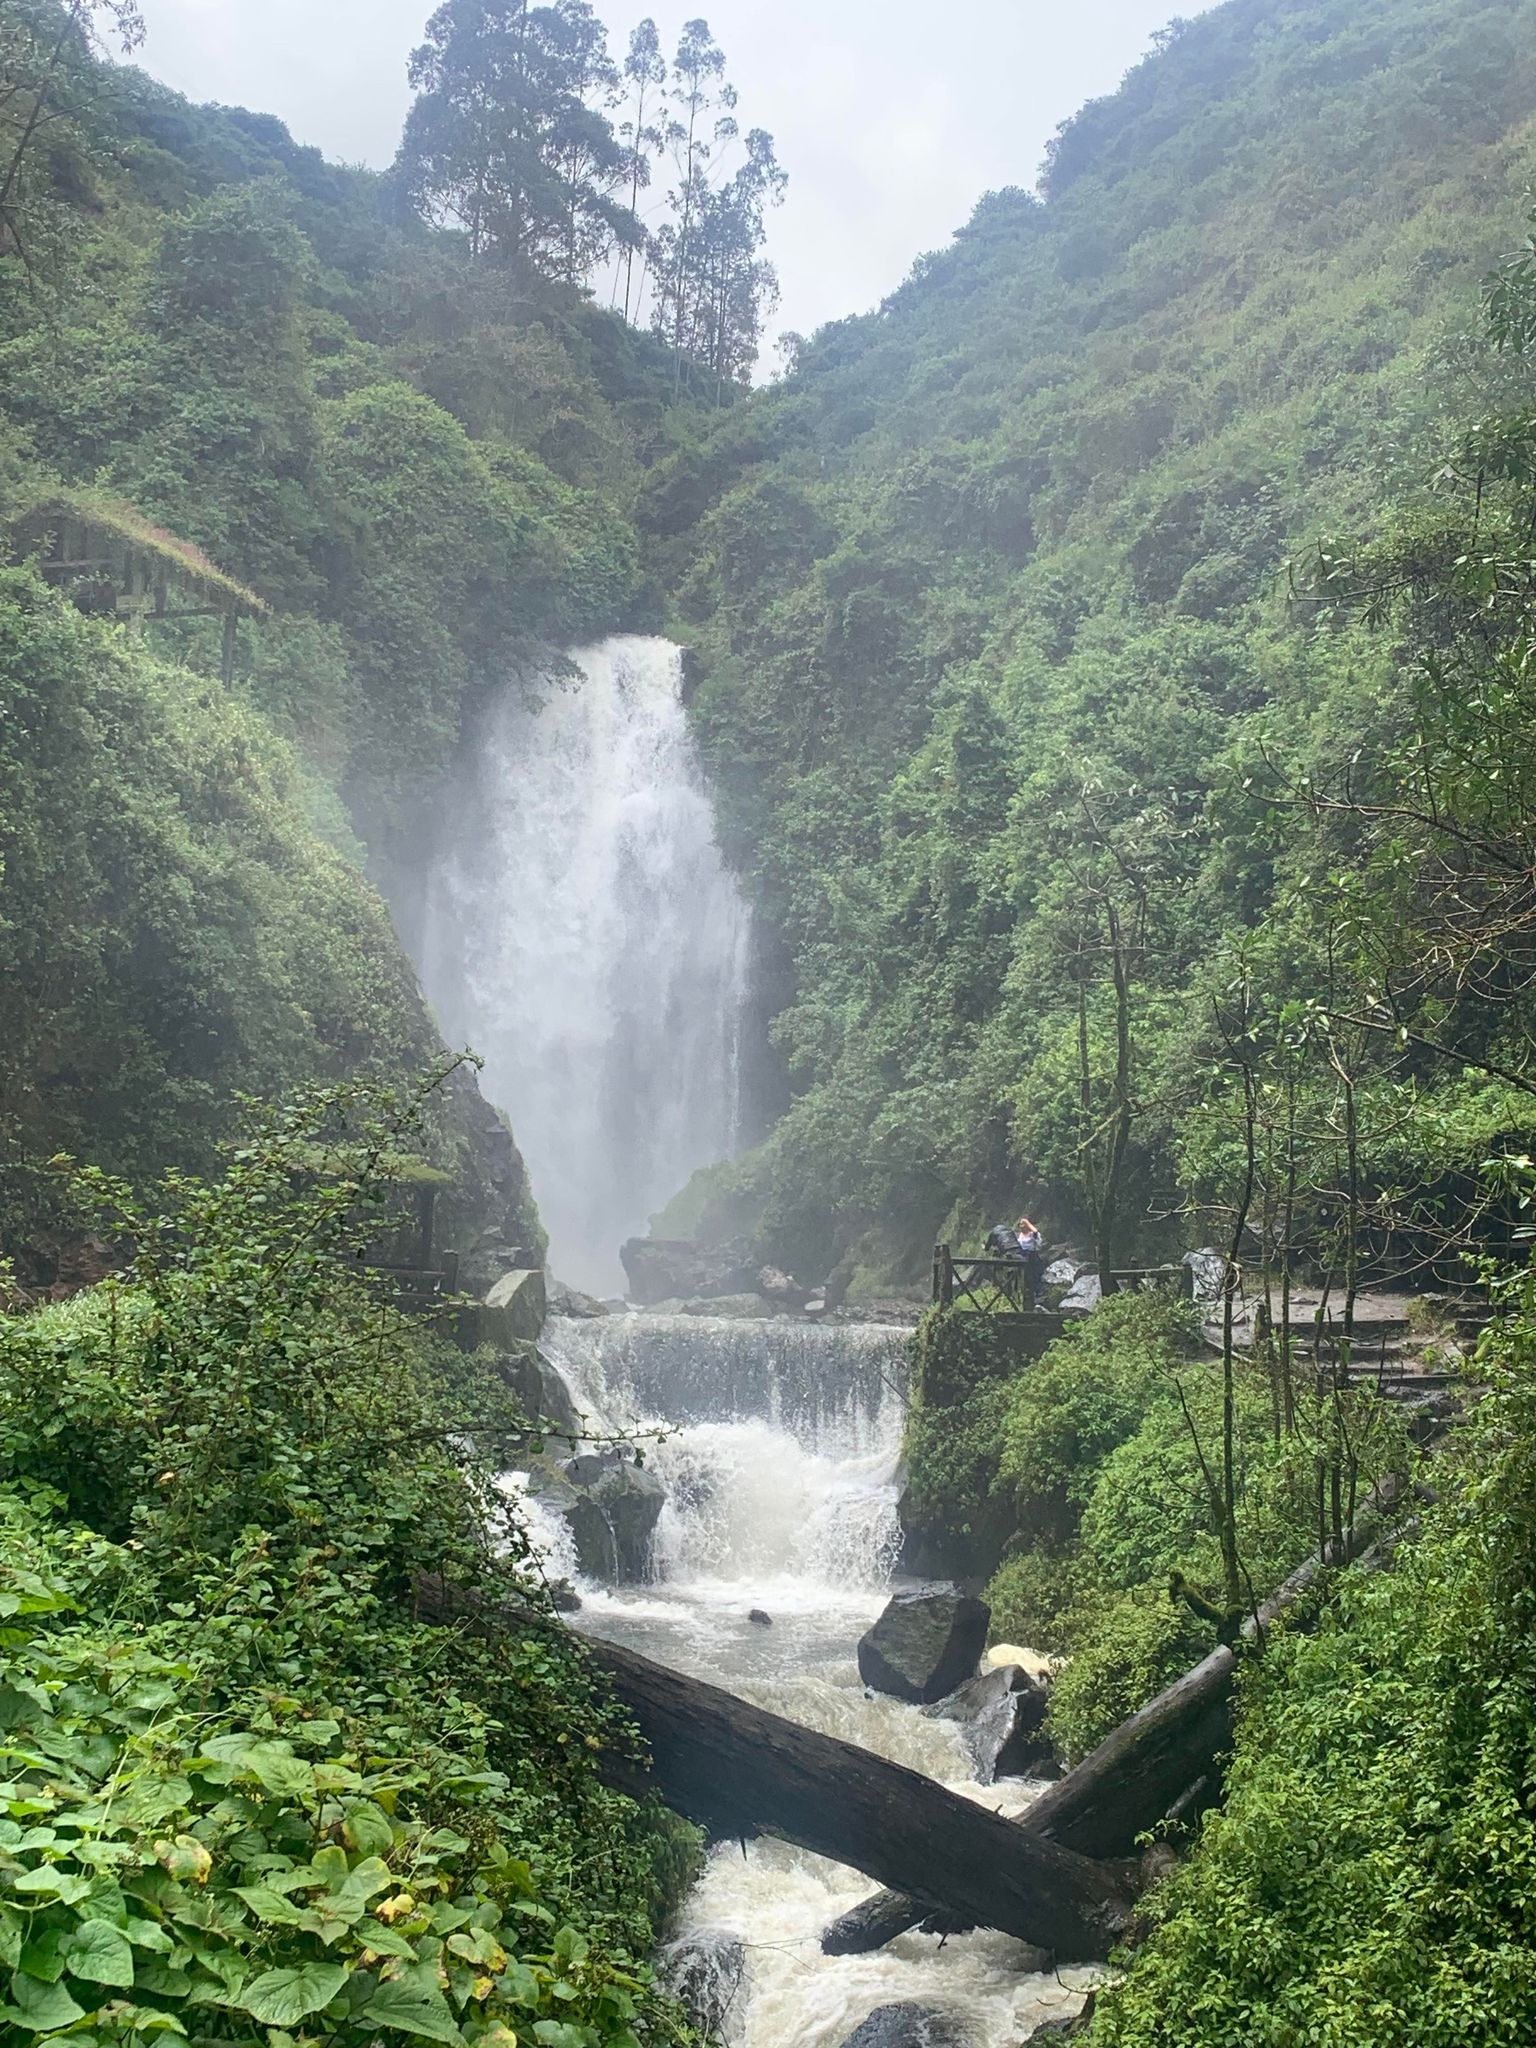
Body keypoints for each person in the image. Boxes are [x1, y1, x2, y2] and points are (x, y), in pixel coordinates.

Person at [1015, 1215, 1045, 1308]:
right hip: (1022, 1257)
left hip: (1032, 1256)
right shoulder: (1019, 1235)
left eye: (1023, 1224)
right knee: (1026, 1278)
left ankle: (1039, 1297)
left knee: (1035, 1276)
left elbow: (1036, 1232)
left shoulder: (1032, 1234)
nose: (1021, 1226)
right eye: (1020, 1224)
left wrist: (1027, 1223)